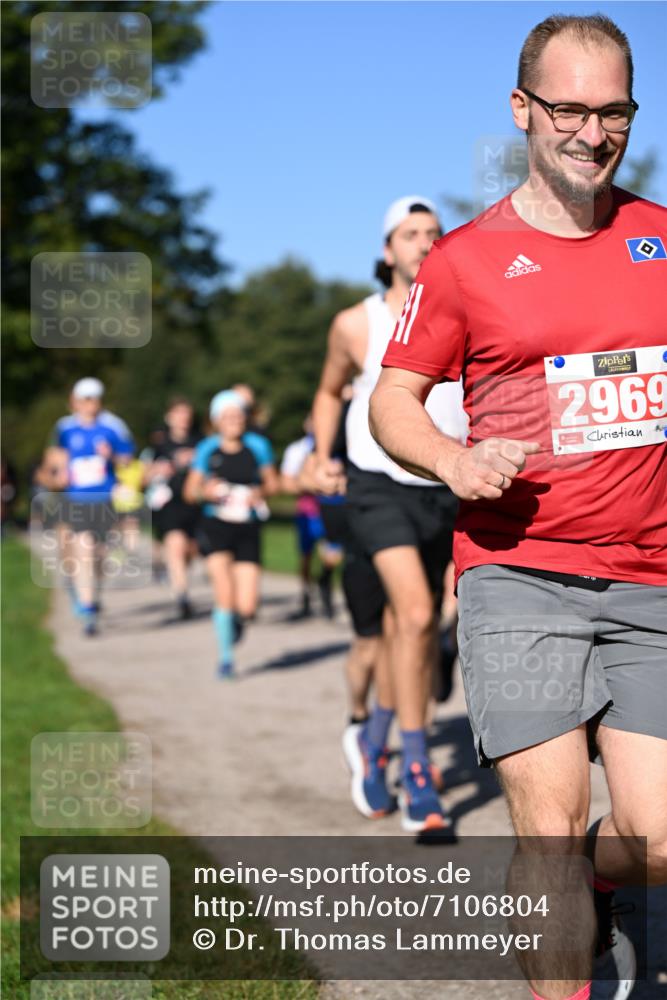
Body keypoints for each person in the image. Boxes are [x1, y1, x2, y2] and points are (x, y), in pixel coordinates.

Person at [370, 14, 666, 1000]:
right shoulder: (459, 261)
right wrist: (453, 459)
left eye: (613, 109)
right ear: (521, 109)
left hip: (652, 577)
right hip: (520, 571)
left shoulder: (660, 241)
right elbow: (391, 400)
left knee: (656, 840)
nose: (593, 131)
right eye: (570, 108)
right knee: (542, 829)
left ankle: (596, 873)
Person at [312, 196, 468, 833]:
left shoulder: (465, 313)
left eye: (434, 233)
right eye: (411, 234)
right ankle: (420, 776)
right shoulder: (357, 323)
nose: (425, 243)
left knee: (421, 632)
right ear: (387, 251)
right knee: (415, 614)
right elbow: (327, 391)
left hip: (444, 486)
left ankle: (371, 742)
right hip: (376, 485)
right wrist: (322, 456)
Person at [184, 390, 279, 678]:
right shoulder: (207, 449)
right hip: (217, 526)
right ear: (216, 421)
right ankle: (226, 660)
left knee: (248, 606)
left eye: (238, 415)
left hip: (248, 527)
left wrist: (258, 493)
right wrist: (205, 492)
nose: (233, 420)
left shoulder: (258, 446)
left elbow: (274, 485)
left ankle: (235, 624)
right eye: (227, 416)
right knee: (224, 595)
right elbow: (189, 492)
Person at [38, 377, 135, 635]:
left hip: (105, 500)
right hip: (76, 500)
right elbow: (52, 464)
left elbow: (128, 461)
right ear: (75, 402)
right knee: (84, 550)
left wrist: (111, 456)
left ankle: (91, 597)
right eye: (85, 399)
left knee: (99, 556)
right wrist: (58, 475)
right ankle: (88, 609)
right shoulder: (65, 429)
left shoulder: (113, 427)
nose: (90, 404)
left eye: (95, 398)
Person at [144, 397, 201, 620]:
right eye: (178, 413)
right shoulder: (159, 444)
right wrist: (157, 470)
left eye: (186, 413)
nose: (183, 418)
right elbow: (144, 476)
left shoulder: (200, 441)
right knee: (176, 545)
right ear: (169, 417)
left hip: (195, 504)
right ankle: (182, 596)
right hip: (169, 504)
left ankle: (176, 575)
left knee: (191, 550)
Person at [280, 417, 342, 618]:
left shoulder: (340, 444)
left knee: (332, 554)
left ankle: (324, 583)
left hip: (333, 507)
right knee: (306, 555)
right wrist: (314, 484)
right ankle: (306, 592)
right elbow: (287, 483)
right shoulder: (297, 450)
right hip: (308, 509)